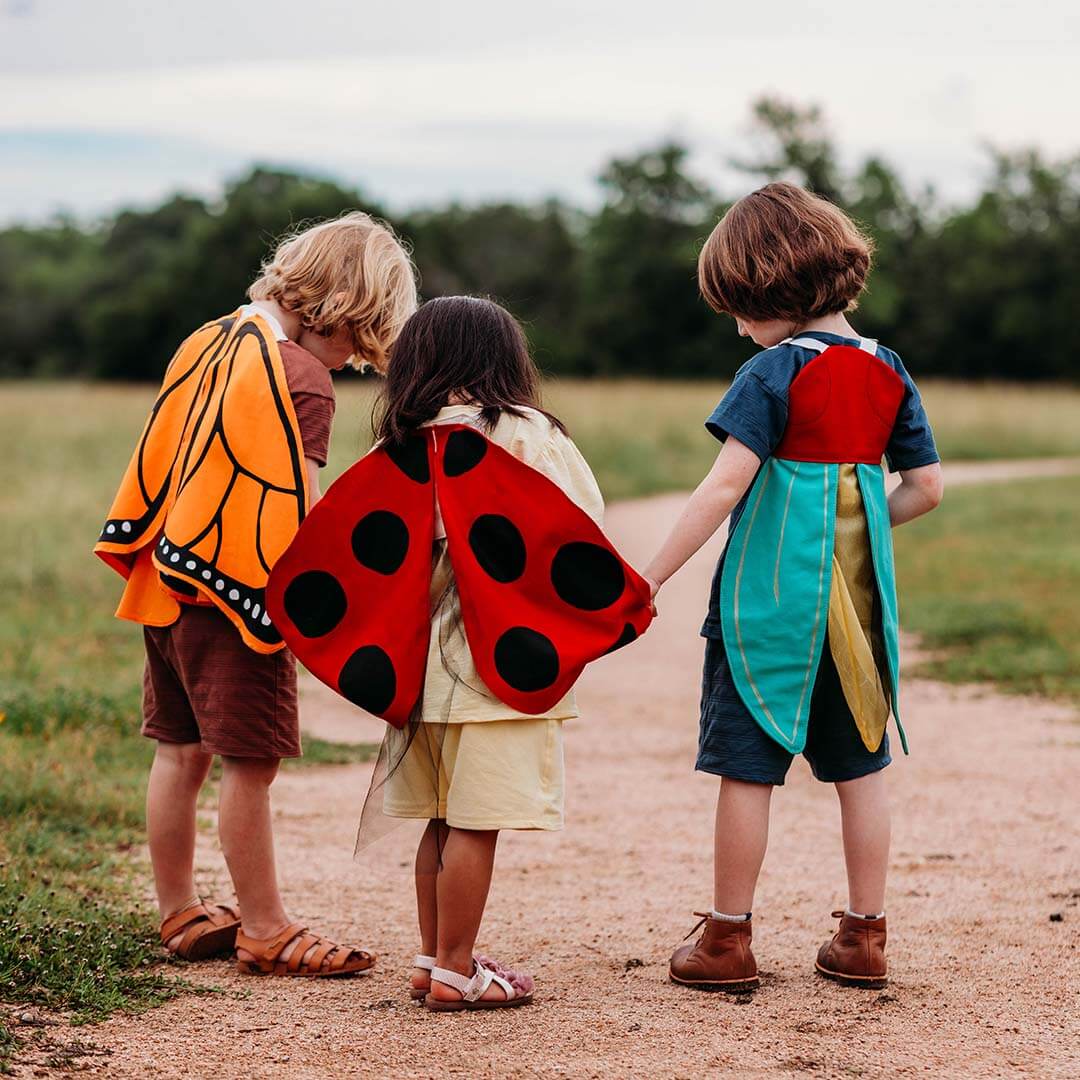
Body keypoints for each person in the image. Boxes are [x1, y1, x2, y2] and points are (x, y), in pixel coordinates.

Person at [265, 295, 652, 1010]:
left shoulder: (401, 446)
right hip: (498, 671)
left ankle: (432, 958)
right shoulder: (532, 438)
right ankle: (456, 970)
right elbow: (582, 535)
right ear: (507, 360)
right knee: (477, 822)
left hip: (419, 673)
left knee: (439, 820)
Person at [94, 212, 417, 976]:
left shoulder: (209, 342)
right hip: (238, 602)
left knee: (179, 753)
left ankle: (178, 911)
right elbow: (301, 509)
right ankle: (266, 926)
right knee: (251, 764)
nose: (344, 364)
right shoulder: (296, 376)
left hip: (168, 585)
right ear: (340, 309)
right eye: (352, 344)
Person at [643, 182, 944, 992]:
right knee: (861, 770)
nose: (739, 328)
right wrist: (855, 516)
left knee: (747, 769)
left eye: (739, 308)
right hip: (856, 617)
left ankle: (728, 942)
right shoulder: (887, 370)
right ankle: (864, 936)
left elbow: (722, 488)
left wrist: (650, 576)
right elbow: (925, 488)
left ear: (770, 289)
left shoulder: (771, 374)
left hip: (765, 616)